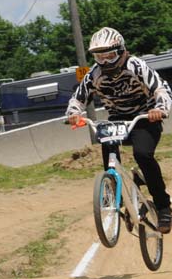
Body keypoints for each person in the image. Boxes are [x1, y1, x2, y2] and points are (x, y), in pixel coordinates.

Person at [66, 27, 172, 233]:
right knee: (108, 150)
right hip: (117, 120)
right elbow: (77, 99)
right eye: (100, 57)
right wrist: (73, 113)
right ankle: (116, 194)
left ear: (122, 51)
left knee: (142, 154)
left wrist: (159, 108)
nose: (105, 62)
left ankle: (163, 206)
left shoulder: (136, 66)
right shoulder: (94, 75)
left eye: (110, 56)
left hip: (144, 118)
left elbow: (161, 88)